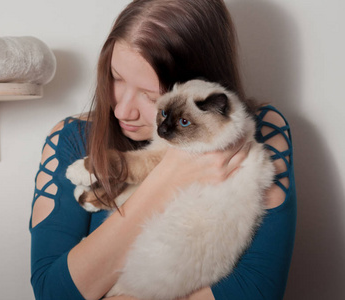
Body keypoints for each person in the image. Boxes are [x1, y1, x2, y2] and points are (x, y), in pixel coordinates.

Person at [29, 0, 296, 299]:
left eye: (149, 94)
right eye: (115, 77)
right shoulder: (72, 137)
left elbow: (255, 292)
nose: (122, 111)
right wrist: (168, 177)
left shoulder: (259, 130)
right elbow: (52, 292)